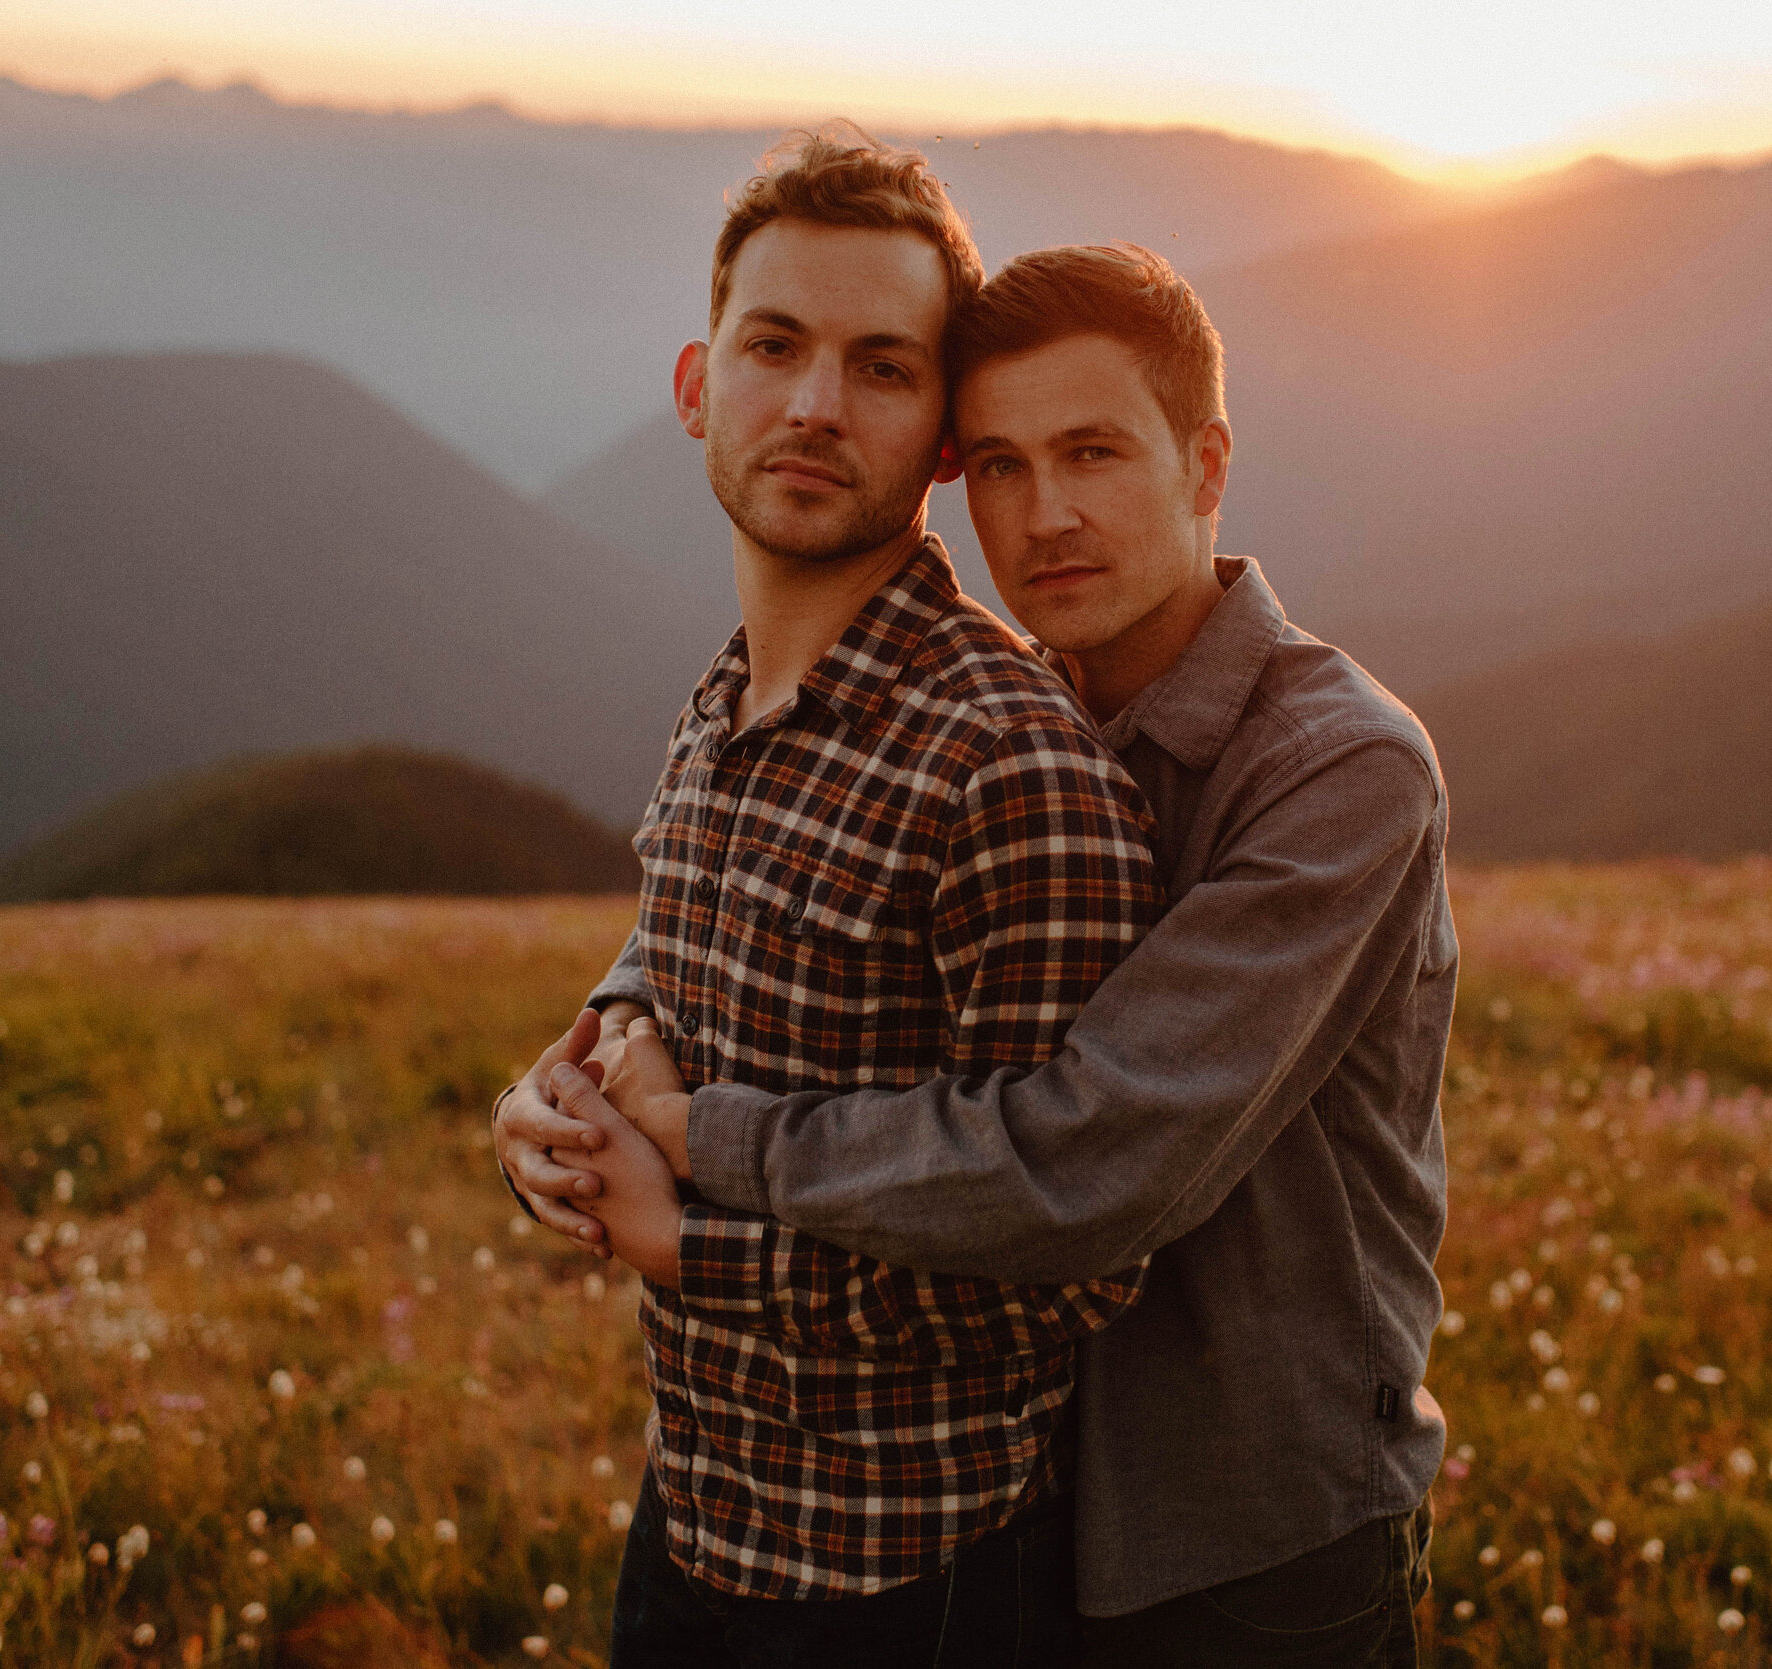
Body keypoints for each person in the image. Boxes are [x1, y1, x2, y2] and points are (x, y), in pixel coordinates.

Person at [522, 242, 1457, 1667]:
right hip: (1015, 1493)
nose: (1048, 515)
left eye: (1094, 452)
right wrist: (604, 1026)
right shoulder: (1013, 716)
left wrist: (701, 1138)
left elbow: (1093, 1158)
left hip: (1248, 1522)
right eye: (1004, 466)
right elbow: (787, 881)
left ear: (1207, 464)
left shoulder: (1342, 770)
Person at [493, 130, 1163, 1666]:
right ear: (694, 385)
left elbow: (1074, 1255)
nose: (811, 404)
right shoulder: (726, 697)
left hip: (910, 1590)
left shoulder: (1007, 765)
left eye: (879, 365)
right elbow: (677, 986)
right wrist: (555, 1106)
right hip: (695, 1525)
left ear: (939, 435)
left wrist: (686, 1246)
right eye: (775, 347)